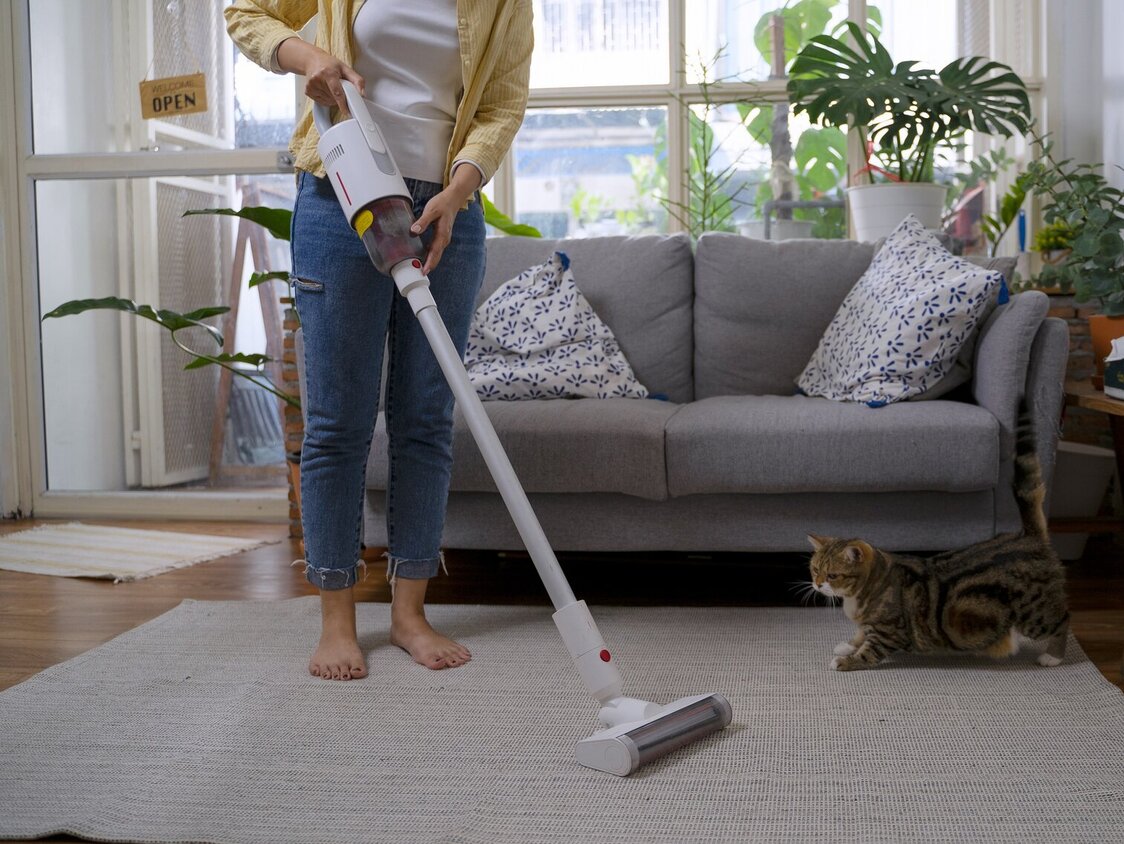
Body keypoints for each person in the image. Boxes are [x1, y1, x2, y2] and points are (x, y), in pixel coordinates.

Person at [225, 0, 533, 681]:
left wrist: (459, 188)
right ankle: (338, 621)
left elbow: (502, 104)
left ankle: (409, 615)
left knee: (425, 418)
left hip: (445, 208)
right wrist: (310, 59)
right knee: (338, 421)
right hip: (342, 194)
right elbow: (247, 14)